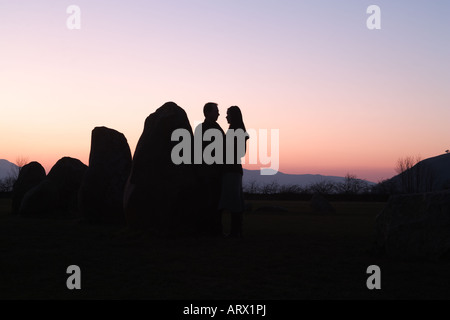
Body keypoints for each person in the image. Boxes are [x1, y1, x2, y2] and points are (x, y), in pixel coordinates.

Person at [194, 102, 225, 237]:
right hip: (210, 172)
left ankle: (208, 229)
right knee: (212, 201)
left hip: (208, 171)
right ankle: (212, 229)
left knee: (210, 201)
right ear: (208, 113)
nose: (218, 113)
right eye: (216, 111)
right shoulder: (212, 129)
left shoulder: (203, 128)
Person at [219, 106, 249, 238]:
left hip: (232, 169)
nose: (226, 117)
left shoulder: (235, 130)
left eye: (228, 114)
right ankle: (236, 230)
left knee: (234, 202)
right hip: (234, 169)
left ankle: (234, 231)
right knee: (235, 201)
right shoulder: (237, 129)